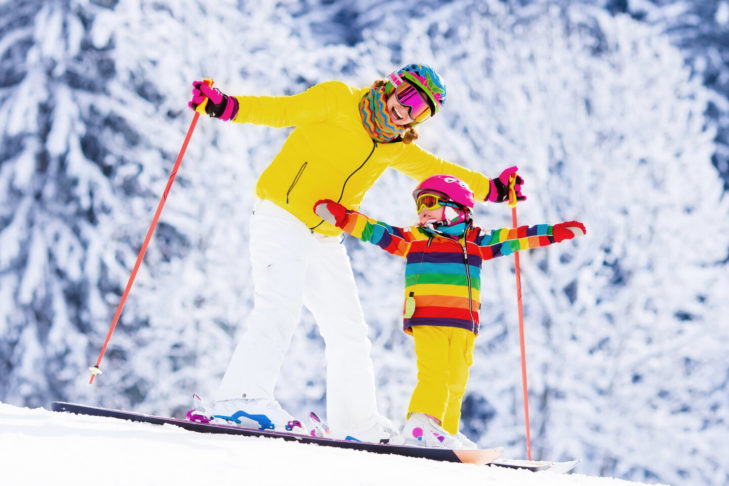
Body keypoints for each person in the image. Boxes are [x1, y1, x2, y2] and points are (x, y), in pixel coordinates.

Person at [187, 64, 526, 442]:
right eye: (410, 98)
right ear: (394, 85)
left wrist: (494, 189)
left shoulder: (395, 147)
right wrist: (225, 106)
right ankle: (241, 399)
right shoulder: (337, 100)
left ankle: (357, 427)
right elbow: (280, 110)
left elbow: (440, 169)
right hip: (281, 215)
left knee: (349, 331)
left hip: (324, 237)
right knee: (279, 306)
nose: (408, 112)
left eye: (422, 111)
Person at [313, 174, 585, 447]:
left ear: (456, 206)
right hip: (428, 316)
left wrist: (554, 233)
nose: (422, 210)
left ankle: (445, 432)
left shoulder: (478, 241)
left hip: (464, 324)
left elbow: (516, 238)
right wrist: (343, 217)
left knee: (456, 380)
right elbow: (376, 231)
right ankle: (421, 423)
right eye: (419, 205)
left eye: (429, 202)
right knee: (434, 372)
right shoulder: (414, 238)